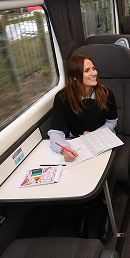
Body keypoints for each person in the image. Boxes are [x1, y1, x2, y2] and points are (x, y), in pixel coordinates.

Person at [47, 53, 118, 239]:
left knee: (107, 170)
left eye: (94, 68)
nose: (94, 73)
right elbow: (55, 133)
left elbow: (112, 122)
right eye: (88, 70)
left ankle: (105, 209)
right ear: (75, 76)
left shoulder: (106, 93)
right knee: (78, 174)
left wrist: (95, 135)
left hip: (104, 138)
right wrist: (64, 149)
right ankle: (84, 210)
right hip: (76, 142)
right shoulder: (62, 98)